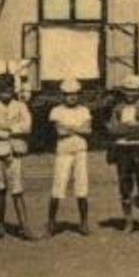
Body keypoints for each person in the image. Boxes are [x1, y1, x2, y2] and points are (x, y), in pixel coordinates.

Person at [0, 72, 36, 240]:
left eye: (9, 88)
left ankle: (24, 227)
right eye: (2, 89)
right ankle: (0, 226)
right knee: (0, 188)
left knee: (17, 188)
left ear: (13, 89)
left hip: (16, 151)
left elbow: (27, 127)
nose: (6, 92)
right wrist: (11, 131)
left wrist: (6, 130)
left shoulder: (20, 106)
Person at [107, 74, 139, 234]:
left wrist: (126, 129)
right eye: (128, 90)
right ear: (123, 91)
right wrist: (133, 128)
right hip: (122, 150)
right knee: (125, 186)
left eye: (134, 91)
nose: (131, 94)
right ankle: (128, 221)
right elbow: (113, 129)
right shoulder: (118, 108)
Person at [47, 78, 94, 237]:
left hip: (80, 151)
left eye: (74, 94)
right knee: (58, 185)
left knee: (82, 185)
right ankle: (52, 223)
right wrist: (77, 128)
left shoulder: (84, 110)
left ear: (79, 95)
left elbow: (88, 130)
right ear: (62, 95)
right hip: (63, 152)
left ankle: (84, 223)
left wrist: (70, 128)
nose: (71, 97)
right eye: (68, 94)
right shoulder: (56, 110)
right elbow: (60, 131)